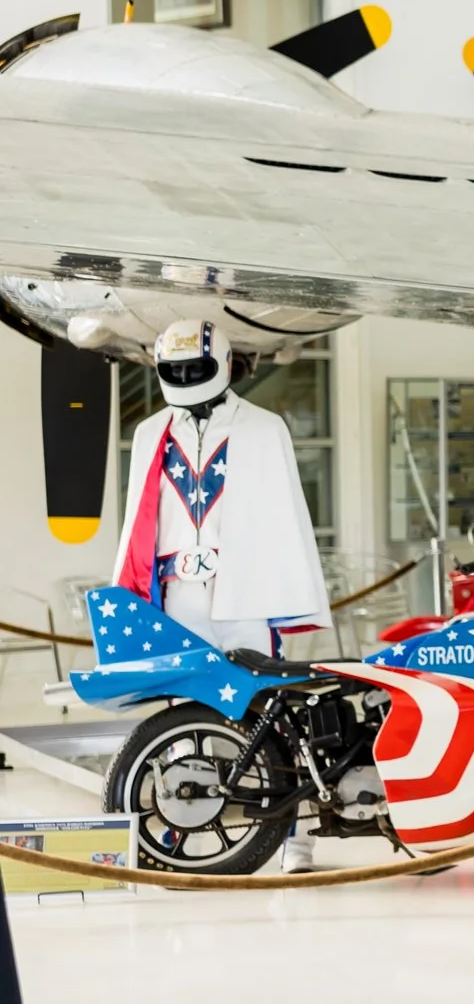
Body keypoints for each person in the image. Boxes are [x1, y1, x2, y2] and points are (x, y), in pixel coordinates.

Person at [112, 320, 331, 870]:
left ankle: (295, 835)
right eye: (174, 370)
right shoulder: (149, 432)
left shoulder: (263, 428)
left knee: (270, 711)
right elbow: (140, 523)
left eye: (195, 368)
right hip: (177, 591)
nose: (184, 378)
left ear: (225, 363)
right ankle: (188, 817)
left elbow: (284, 519)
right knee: (183, 715)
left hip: (246, 592)